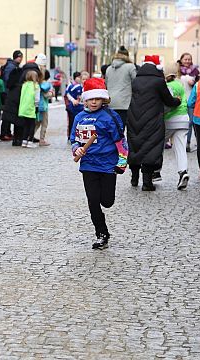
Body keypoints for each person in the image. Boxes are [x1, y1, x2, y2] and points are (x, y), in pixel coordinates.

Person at [70, 78, 124, 250]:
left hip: (108, 165)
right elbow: (74, 140)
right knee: (93, 201)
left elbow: (121, 141)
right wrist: (76, 149)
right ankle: (102, 234)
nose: (94, 102)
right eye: (90, 98)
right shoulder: (79, 117)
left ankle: (103, 229)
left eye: (97, 98)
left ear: (103, 99)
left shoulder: (110, 116)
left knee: (107, 202)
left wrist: (122, 162)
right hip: (88, 166)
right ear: (85, 99)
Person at [127, 55, 181, 191]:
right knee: (151, 147)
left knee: (135, 146)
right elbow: (168, 100)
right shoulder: (158, 81)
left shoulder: (135, 81)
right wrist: (178, 101)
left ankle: (134, 178)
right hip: (152, 119)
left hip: (134, 116)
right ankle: (147, 183)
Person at [164, 65, 190, 190]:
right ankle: (183, 172)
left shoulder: (168, 86)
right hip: (183, 118)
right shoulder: (179, 84)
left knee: (157, 144)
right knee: (180, 148)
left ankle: (155, 171)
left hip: (170, 119)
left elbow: (169, 103)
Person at [105, 46, 137, 126]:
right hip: (125, 103)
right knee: (123, 128)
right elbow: (136, 83)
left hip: (111, 103)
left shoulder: (109, 69)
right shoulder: (130, 67)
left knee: (114, 129)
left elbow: (106, 84)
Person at [177, 52, 200, 152]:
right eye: (185, 59)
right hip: (179, 100)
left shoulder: (195, 71)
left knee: (189, 122)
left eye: (189, 59)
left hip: (191, 100)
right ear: (181, 60)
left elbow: (198, 84)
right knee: (179, 122)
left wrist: (194, 82)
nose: (187, 61)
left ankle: (188, 143)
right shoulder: (177, 70)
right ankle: (178, 142)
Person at [19, 71, 40, 148]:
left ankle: (24, 141)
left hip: (24, 108)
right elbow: (37, 98)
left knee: (26, 125)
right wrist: (36, 107)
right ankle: (30, 141)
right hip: (31, 108)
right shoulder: (36, 86)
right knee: (32, 125)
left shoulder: (24, 85)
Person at [65, 72, 84, 140]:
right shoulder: (71, 86)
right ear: (75, 78)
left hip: (80, 107)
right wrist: (73, 100)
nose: (80, 79)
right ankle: (70, 136)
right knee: (72, 122)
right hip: (72, 108)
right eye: (78, 77)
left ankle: (78, 136)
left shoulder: (82, 86)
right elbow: (67, 94)